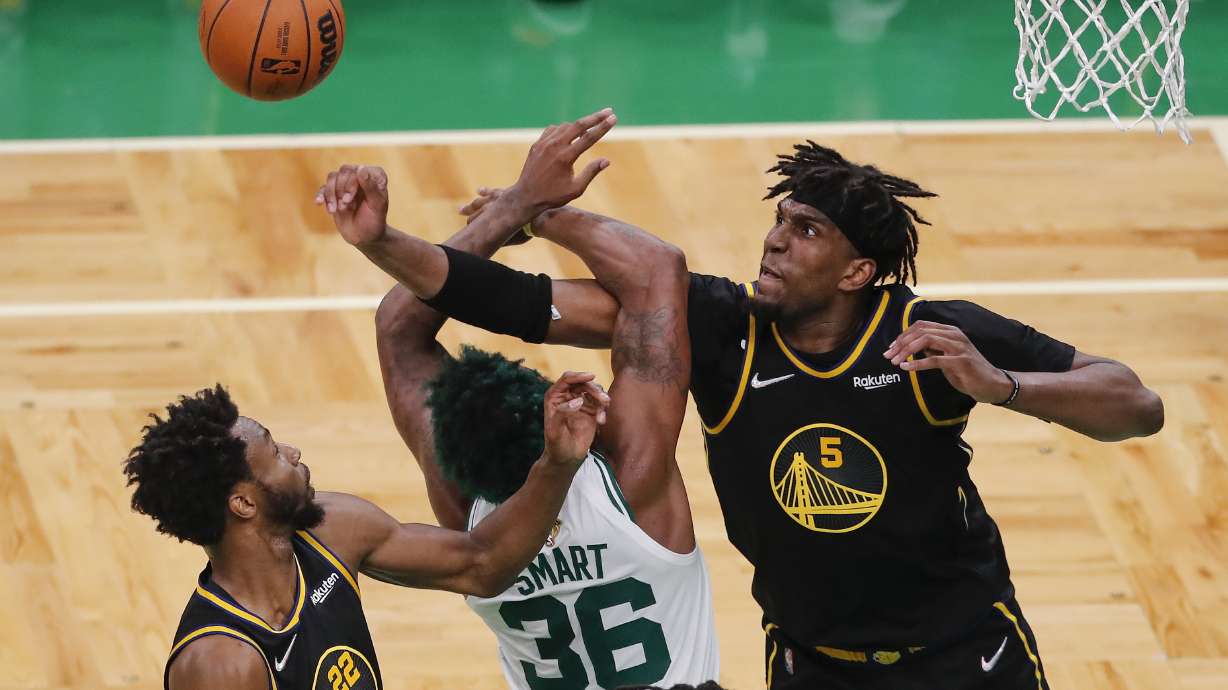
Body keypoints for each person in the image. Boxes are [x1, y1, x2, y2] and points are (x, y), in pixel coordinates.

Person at [367, 138, 1165, 690]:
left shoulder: (932, 334)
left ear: (858, 270)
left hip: (966, 656)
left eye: (805, 229)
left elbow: (1137, 404)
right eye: (779, 220)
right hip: (813, 664)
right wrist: (526, 214)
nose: (775, 241)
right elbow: (509, 300)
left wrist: (1003, 387)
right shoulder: (723, 327)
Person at [314, 109, 721, 689]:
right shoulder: (632, 477)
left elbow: (399, 329)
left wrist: (510, 209)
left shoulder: (469, 527)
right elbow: (658, 271)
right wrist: (540, 212)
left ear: (452, 460)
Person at [126, 374, 607, 690]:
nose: (292, 453)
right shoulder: (221, 664)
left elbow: (481, 563)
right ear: (244, 503)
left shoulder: (334, 529)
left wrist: (557, 464)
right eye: (273, 453)